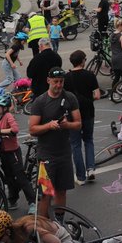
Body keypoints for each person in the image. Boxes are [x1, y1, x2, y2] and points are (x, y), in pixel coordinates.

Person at [28, 68, 82, 215]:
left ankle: (59, 224)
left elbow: (78, 124)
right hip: (46, 155)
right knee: (46, 193)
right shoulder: (40, 102)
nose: (58, 85)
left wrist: (67, 125)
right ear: (48, 81)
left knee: (61, 191)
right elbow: (32, 129)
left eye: (61, 82)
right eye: (56, 82)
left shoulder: (70, 98)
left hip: (64, 153)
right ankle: (41, 226)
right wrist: (48, 126)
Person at [0, 95, 34, 209]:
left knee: (20, 177)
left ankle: (32, 202)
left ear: (4, 108)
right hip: (2, 151)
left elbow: (15, 129)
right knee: (9, 178)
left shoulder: (8, 116)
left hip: (13, 152)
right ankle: (13, 200)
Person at [64, 49, 101, 184]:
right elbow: (97, 95)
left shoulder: (66, 78)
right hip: (88, 112)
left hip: (72, 115)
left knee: (75, 144)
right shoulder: (90, 75)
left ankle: (80, 176)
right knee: (88, 140)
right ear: (83, 61)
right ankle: (90, 168)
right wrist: (88, 99)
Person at [108, 21, 122, 92]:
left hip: (114, 58)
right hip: (121, 59)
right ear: (120, 26)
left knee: (116, 77)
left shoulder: (111, 35)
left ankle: (113, 92)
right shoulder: (121, 36)